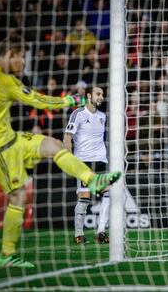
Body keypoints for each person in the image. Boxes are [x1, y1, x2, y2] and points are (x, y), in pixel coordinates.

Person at [0, 35, 121, 267]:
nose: (24, 63)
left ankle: (93, 180)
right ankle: (6, 255)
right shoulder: (7, 82)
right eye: (21, 58)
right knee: (18, 197)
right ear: (11, 54)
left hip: (14, 138)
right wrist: (69, 100)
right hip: (0, 150)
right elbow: (39, 101)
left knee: (53, 145)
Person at [63, 86, 111, 244]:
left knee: (108, 193)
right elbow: (68, 138)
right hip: (82, 161)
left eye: (102, 94)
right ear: (89, 95)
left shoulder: (103, 116)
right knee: (84, 197)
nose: (101, 97)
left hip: (101, 160)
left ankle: (101, 231)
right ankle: (78, 234)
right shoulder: (78, 114)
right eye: (98, 94)